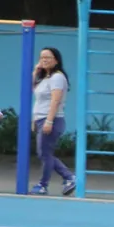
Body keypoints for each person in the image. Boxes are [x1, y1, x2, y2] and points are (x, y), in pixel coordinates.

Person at [28, 47, 74, 196]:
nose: (44, 60)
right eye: (42, 57)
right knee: (44, 153)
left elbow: (55, 101)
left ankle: (45, 184)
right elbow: (31, 91)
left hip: (52, 119)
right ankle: (69, 178)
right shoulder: (45, 78)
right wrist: (35, 71)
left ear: (56, 60)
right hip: (41, 118)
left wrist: (49, 121)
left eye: (47, 57)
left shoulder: (57, 77)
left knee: (44, 154)